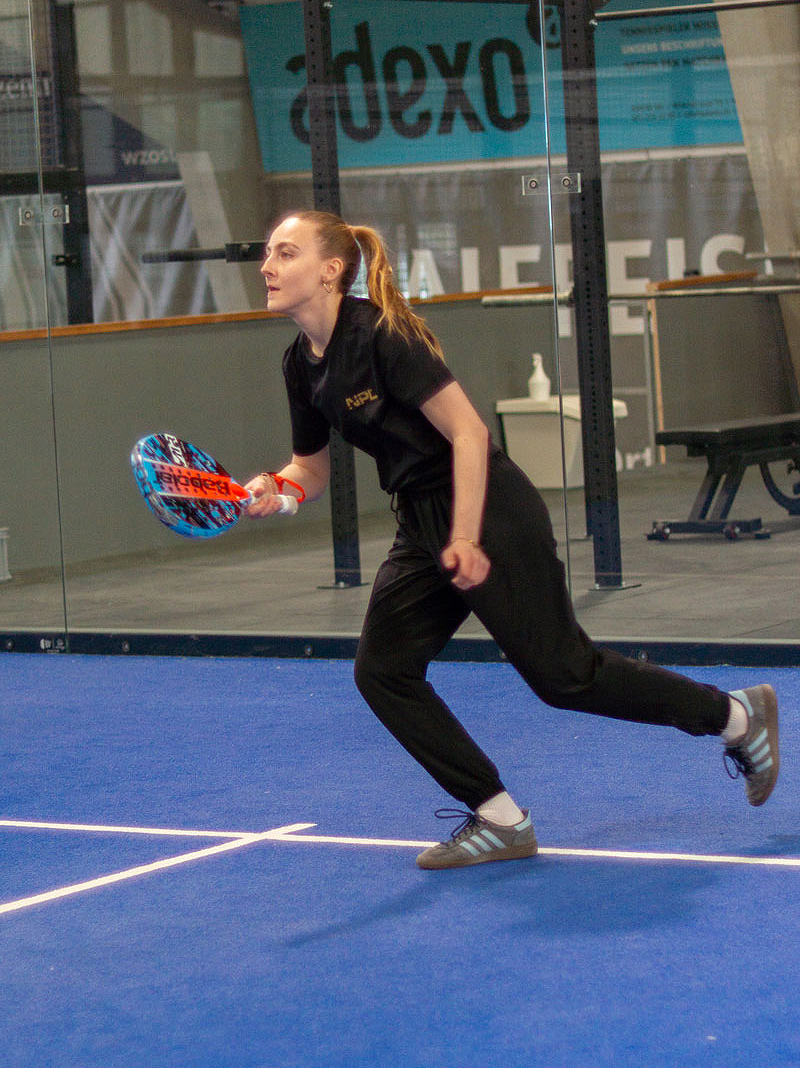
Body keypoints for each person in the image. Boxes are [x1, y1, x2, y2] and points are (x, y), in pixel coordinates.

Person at [245, 210, 780, 871]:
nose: (267, 266)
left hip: (488, 509)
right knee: (383, 671)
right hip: (420, 522)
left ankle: (735, 717)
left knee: (564, 677)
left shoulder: (381, 334)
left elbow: (469, 434)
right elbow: (310, 468)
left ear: (330, 270)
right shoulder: (300, 364)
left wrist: (467, 537)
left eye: (285, 252)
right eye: (268, 253)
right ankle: (500, 818)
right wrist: (276, 488)